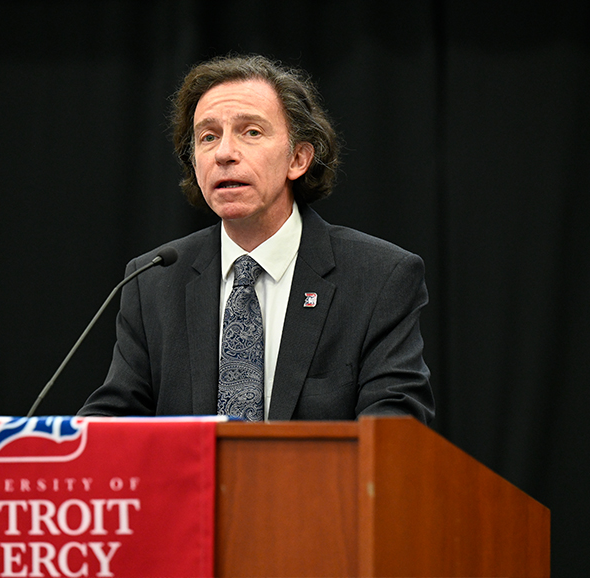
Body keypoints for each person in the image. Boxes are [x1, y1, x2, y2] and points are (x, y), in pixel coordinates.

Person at [78, 54, 434, 423]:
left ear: (298, 158)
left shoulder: (377, 276)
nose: (224, 153)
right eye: (208, 136)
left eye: (251, 132)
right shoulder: (154, 280)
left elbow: (396, 427)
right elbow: (114, 420)